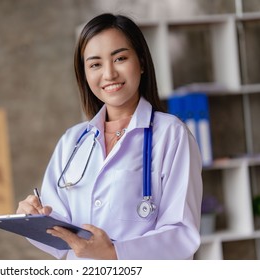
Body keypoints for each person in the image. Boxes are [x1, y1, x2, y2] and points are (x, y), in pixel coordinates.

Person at [16, 13, 203, 260]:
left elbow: (181, 234)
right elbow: (60, 233)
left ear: (142, 62)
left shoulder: (171, 134)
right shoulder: (72, 141)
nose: (109, 74)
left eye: (120, 58)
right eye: (95, 64)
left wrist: (115, 254)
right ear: (84, 74)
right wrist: (34, 218)